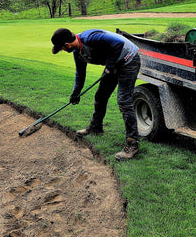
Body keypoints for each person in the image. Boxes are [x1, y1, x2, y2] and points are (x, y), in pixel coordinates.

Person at [51, 27, 141, 160]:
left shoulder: (90, 38)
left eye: (61, 48)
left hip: (128, 60)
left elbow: (118, 43)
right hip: (114, 63)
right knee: (101, 95)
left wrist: (110, 66)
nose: (63, 51)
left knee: (124, 101)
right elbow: (80, 75)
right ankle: (96, 127)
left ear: (66, 45)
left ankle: (133, 144)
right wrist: (75, 93)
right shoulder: (78, 52)